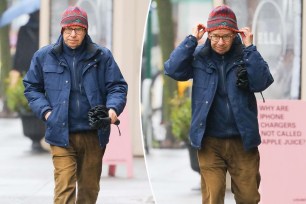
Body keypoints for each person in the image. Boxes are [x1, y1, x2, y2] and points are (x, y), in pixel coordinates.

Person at [164, 5, 274, 204]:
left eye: (225, 36)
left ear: (235, 34)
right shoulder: (199, 56)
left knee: (249, 198)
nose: (220, 42)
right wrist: (191, 40)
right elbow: (172, 69)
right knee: (213, 198)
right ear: (208, 34)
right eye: (215, 36)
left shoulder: (246, 56)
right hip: (209, 141)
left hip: (243, 140)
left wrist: (250, 48)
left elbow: (262, 82)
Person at [23, 6, 128, 203]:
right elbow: (31, 87)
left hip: (94, 135)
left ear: (86, 31)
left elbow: (117, 86)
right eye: (68, 29)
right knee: (64, 190)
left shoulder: (102, 56)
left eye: (78, 29)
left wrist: (113, 110)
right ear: (61, 30)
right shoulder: (44, 56)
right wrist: (47, 113)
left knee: (89, 192)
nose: (73, 34)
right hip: (61, 133)